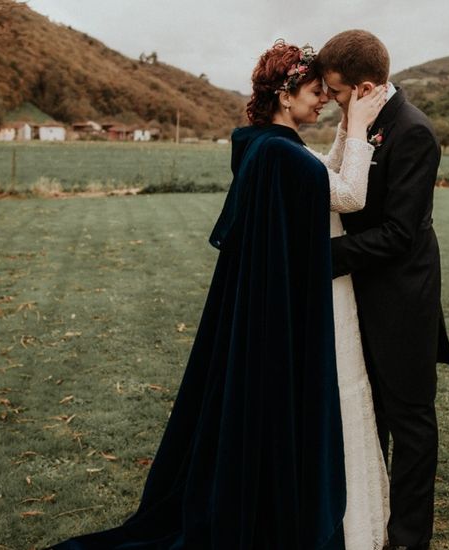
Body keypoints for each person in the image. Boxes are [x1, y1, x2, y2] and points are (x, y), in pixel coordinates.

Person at [49, 39, 388, 550]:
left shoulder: (262, 144)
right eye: (317, 92)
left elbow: (323, 172)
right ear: (285, 91)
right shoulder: (281, 154)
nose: (323, 101)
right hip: (283, 314)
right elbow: (348, 193)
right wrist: (359, 126)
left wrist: (344, 129)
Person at [317, 30, 449, 550]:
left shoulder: (414, 131)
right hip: (360, 293)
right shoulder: (361, 125)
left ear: (367, 86)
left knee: (411, 418)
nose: (330, 99)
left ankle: (407, 536)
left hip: (401, 297)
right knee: (367, 410)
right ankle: (370, 517)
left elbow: (400, 232)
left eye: (335, 90)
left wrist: (318, 259)